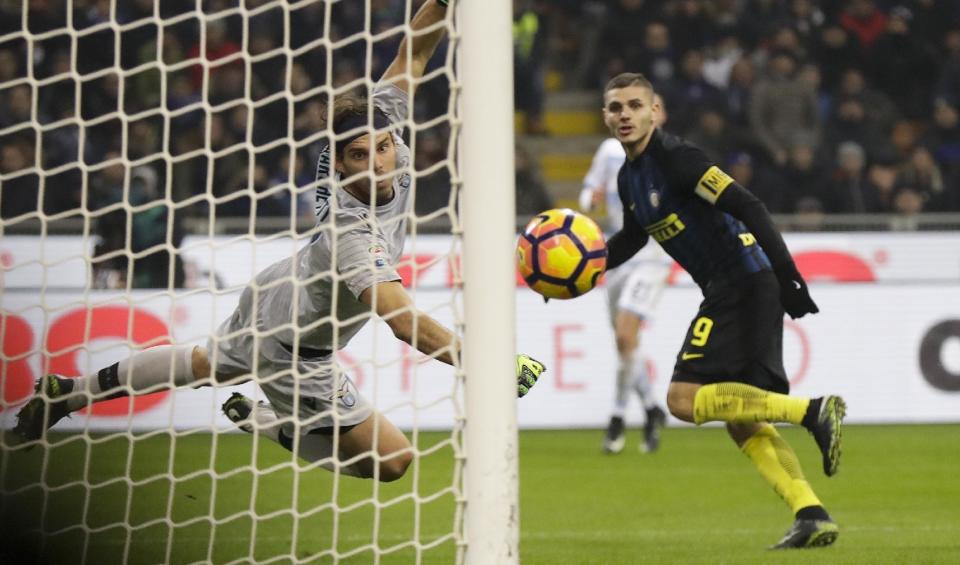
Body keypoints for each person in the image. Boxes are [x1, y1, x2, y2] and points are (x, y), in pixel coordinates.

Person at [15, 0, 547, 483]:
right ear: (338, 163)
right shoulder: (353, 236)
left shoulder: (383, 126)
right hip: (297, 347)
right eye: (363, 156)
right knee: (391, 463)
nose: (381, 162)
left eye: (384, 147)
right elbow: (405, 323)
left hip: (279, 288)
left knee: (205, 364)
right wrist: (490, 363)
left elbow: (412, 55)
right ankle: (276, 425)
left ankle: (70, 392)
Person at [598, 72, 845, 549]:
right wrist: (587, 267)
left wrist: (788, 274)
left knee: (682, 399)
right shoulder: (630, 177)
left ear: (655, 111)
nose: (624, 115)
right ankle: (811, 514)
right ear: (606, 117)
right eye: (615, 108)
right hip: (739, 286)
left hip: (742, 282)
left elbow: (747, 204)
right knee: (743, 419)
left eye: (634, 105)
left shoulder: (678, 159)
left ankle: (813, 412)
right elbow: (632, 237)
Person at [579, 93, 669, 454]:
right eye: (624, 108)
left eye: (641, 108)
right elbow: (587, 193)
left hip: (651, 257)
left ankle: (617, 417)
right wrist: (593, 199)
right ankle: (651, 408)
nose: (631, 115)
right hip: (615, 256)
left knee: (625, 335)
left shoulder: (667, 160)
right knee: (625, 344)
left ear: (655, 116)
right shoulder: (609, 151)